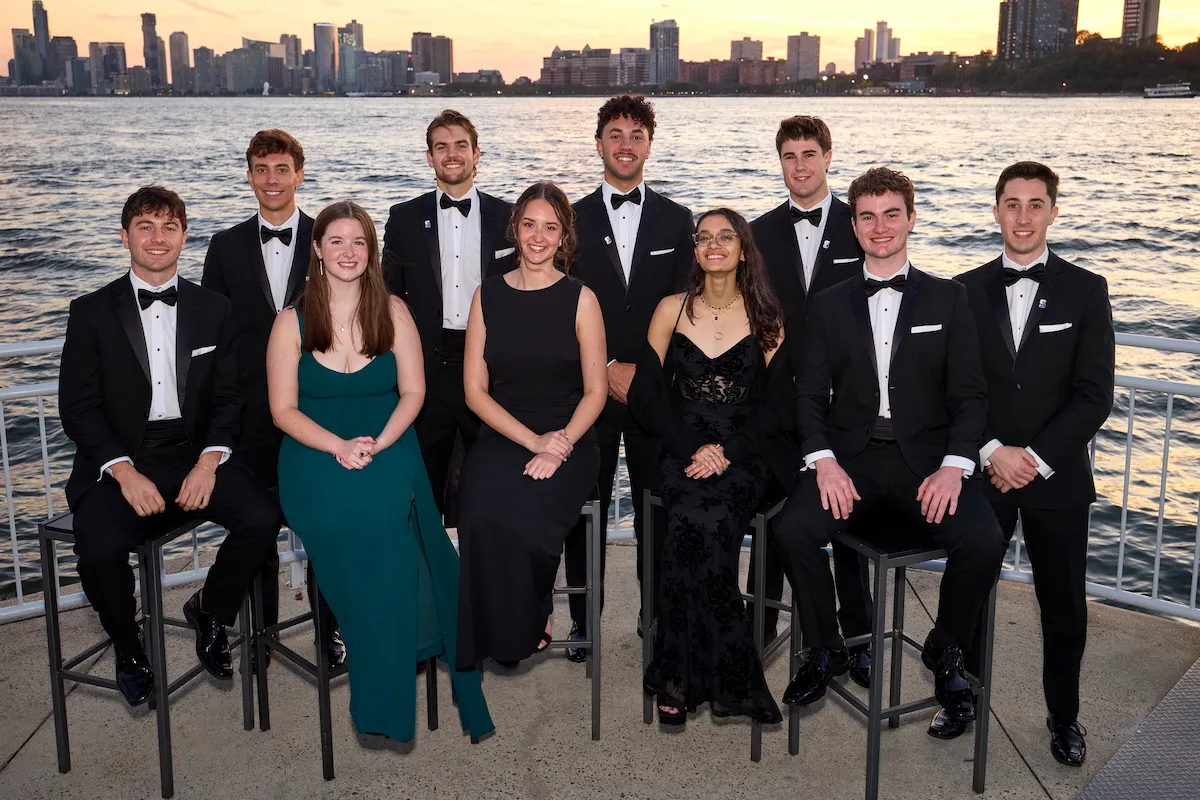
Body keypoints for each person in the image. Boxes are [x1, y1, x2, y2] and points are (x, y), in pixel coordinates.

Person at [773, 168, 1006, 728]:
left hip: (925, 462)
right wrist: (823, 462)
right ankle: (827, 647)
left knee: (985, 539)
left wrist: (954, 468)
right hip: (851, 458)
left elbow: (971, 397)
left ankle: (944, 647)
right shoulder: (829, 305)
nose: (881, 227)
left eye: (891, 214)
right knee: (792, 529)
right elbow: (808, 396)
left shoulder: (950, 299)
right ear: (853, 226)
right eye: (868, 216)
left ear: (911, 218)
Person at [267, 201, 492, 742]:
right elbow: (283, 411)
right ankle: (374, 640)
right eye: (336, 241)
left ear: (372, 252)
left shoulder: (393, 312)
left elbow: (415, 392)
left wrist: (378, 443)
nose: (348, 252)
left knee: (388, 517)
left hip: (390, 442)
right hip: (314, 453)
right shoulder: (291, 321)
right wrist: (340, 448)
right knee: (352, 518)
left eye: (359, 242)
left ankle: (375, 647)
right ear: (317, 249)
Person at [59, 186, 280, 705]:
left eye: (169, 228)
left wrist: (208, 462)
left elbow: (229, 398)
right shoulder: (90, 311)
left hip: (192, 451)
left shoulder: (213, 307)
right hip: (118, 458)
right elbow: (79, 408)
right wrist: (124, 471)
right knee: (98, 550)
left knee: (262, 517)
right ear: (124, 237)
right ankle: (127, 645)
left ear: (184, 236)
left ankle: (212, 610)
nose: (157, 238)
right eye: (145, 227)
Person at [947, 162, 1114, 764]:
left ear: (1053, 212)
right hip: (985, 473)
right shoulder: (962, 289)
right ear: (995, 212)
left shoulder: (1086, 290)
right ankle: (959, 695)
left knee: (1063, 608)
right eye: (1011, 204)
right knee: (966, 595)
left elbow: (1094, 395)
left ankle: (1065, 718)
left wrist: (1036, 458)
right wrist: (993, 451)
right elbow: (956, 389)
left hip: (1057, 480)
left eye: (1035, 204)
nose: (1022, 216)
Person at [629, 208, 792, 726]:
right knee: (686, 521)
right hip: (682, 451)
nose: (714, 245)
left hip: (744, 456)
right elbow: (647, 398)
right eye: (705, 238)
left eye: (726, 237)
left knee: (709, 522)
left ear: (744, 249)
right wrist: (691, 447)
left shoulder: (767, 316)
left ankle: (684, 672)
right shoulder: (670, 311)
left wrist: (730, 452)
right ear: (695, 250)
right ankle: (699, 673)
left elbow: (776, 410)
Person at [202, 128, 343, 668]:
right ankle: (259, 637)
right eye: (261, 170)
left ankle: (333, 635)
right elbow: (212, 340)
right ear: (249, 176)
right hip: (249, 416)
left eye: (282, 169)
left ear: (300, 175)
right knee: (257, 522)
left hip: (315, 408)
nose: (271, 180)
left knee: (325, 523)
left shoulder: (327, 238)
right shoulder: (225, 246)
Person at [456, 182, 606, 668]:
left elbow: (595, 391)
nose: (538, 237)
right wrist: (531, 442)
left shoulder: (581, 299)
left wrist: (556, 447)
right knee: (478, 516)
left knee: (526, 519)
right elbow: (475, 392)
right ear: (514, 229)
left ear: (564, 236)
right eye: (529, 225)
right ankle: (493, 630)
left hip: (571, 435)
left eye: (550, 227)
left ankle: (531, 614)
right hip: (504, 433)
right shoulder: (488, 294)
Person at [566, 94, 695, 659]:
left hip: (653, 390)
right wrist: (605, 369)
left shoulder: (676, 219)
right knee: (583, 509)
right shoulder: (571, 218)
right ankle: (581, 622)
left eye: (635, 134)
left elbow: (684, 307)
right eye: (615, 134)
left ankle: (657, 619)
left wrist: (643, 371)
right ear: (599, 145)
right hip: (587, 390)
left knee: (656, 512)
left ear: (649, 143)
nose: (625, 144)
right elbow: (560, 306)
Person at [750, 115, 872, 679]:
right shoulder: (759, 231)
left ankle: (859, 633)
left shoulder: (861, 225)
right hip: (778, 398)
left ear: (828, 157)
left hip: (845, 400)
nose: (800, 166)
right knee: (779, 514)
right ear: (780, 164)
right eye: (789, 157)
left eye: (809, 155)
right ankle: (768, 625)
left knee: (846, 518)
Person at [381, 110, 516, 524]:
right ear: (429, 158)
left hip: (491, 368)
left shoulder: (509, 216)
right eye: (442, 147)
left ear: (477, 155)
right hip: (426, 370)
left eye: (461, 146)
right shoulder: (403, 218)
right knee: (422, 487)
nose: (452, 154)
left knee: (492, 484)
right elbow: (388, 297)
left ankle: (486, 576)